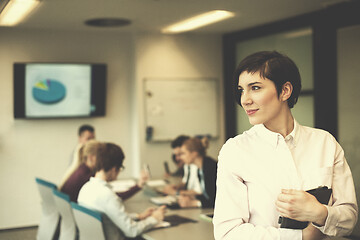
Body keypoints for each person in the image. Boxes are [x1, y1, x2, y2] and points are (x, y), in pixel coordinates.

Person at [213, 51, 358, 239]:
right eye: (241, 90)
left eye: (255, 88)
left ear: (285, 91)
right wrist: (300, 237)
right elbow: (227, 233)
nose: (244, 99)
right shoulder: (235, 151)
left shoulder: (325, 142)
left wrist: (319, 213)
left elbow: (349, 219)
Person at [78, 142, 166, 240]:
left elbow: (111, 216)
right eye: (121, 168)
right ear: (114, 169)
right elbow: (131, 231)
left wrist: (139, 216)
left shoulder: (85, 189)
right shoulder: (107, 196)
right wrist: (154, 218)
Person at [61, 140, 148, 202]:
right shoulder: (85, 177)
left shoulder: (82, 170)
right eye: (101, 156)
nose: (104, 160)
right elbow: (113, 198)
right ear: (91, 157)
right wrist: (138, 186)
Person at [176, 137, 217, 208]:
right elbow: (206, 195)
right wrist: (192, 198)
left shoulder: (210, 168)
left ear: (194, 154)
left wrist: (195, 203)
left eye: (183, 153)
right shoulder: (200, 169)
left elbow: (216, 200)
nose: (180, 158)